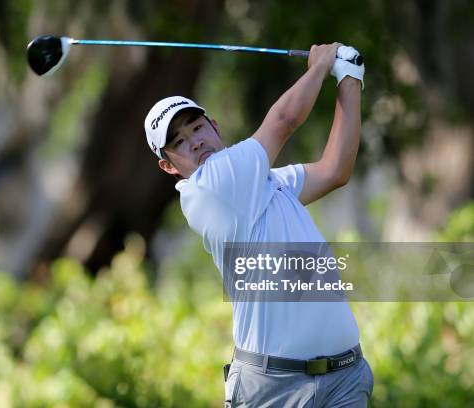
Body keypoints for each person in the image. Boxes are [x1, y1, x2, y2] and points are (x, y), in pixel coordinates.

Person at [144, 43, 373, 407]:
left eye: (197, 128)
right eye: (179, 143)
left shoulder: (265, 181)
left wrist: (350, 77)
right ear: (169, 166)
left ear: (214, 126)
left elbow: (334, 171)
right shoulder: (210, 187)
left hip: (343, 377)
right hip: (275, 389)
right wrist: (320, 66)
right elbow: (284, 121)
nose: (195, 142)